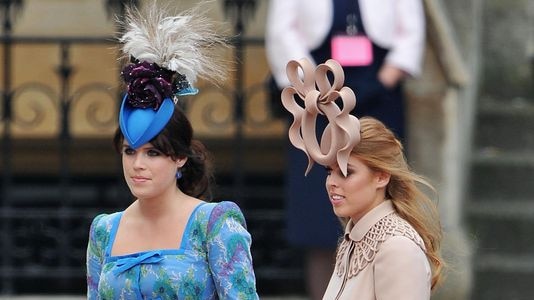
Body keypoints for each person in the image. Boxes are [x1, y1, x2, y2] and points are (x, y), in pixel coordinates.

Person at [86, 3, 259, 299]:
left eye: (153, 153)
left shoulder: (213, 224)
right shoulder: (104, 230)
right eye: (130, 151)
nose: (137, 164)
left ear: (180, 156)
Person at [265, 1, 425, 297]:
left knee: (380, 195)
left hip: (380, 96)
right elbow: (282, 32)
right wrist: (317, 90)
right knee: (320, 215)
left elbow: (411, 33)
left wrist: (381, 82)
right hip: (317, 99)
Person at [281, 59, 443, 299]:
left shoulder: (397, 247)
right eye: (329, 171)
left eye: (346, 172)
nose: (332, 182)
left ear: (382, 176)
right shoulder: (354, 237)